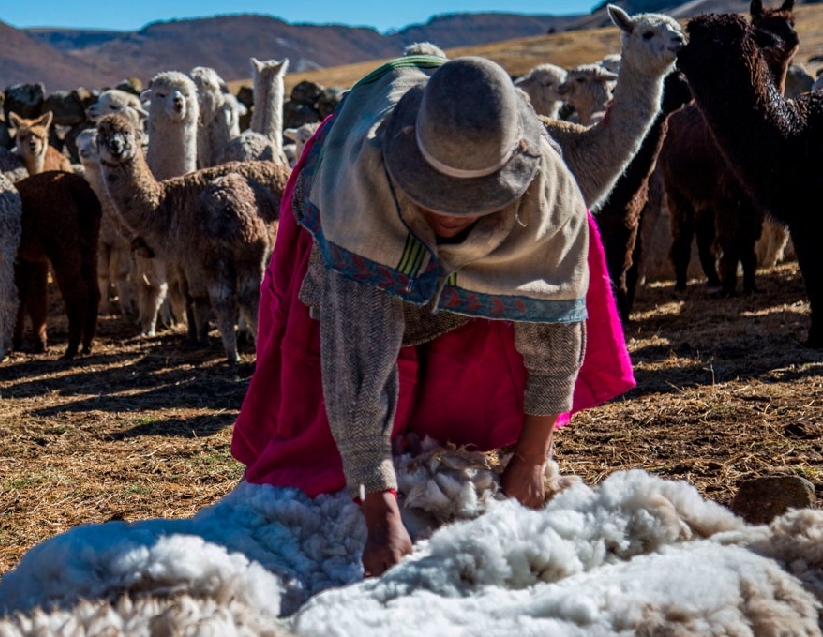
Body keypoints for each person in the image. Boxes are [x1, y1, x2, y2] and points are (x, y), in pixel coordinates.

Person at [230, 56, 635, 578]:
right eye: (437, 194)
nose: (450, 211)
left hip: (502, 233)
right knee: (326, 434)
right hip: (364, 210)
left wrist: (533, 459)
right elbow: (357, 354)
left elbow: (553, 326)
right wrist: (380, 512)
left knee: (479, 346)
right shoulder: (360, 188)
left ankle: (438, 431)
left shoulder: (548, 205)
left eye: (470, 200)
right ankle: (367, 463)